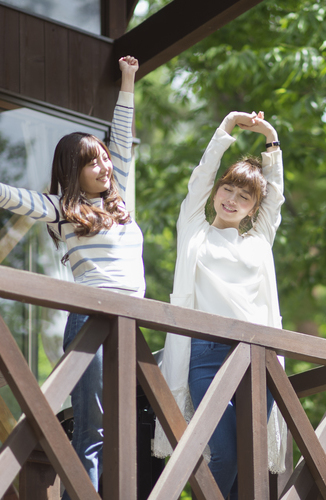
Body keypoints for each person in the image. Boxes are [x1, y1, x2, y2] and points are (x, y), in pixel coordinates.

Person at [0, 56, 143, 497]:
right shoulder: (63, 208)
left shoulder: (117, 202)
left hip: (130, 322)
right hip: (92, 322)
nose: (104, 166)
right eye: (92, 162)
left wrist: (128, 81)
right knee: (93, 429)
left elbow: (120, 137)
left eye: (103, 159)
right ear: (72, 171)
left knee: (129, 427)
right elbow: (13, 196)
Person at [153, 110, 287, 498]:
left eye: (244, 197)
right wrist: (227, 127)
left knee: (249, 455)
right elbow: (200, 176)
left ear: (252, 209)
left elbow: (275, 198)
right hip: (206, 356)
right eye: (228, 190)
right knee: (222, 454)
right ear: (216, 192)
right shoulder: (194, 230)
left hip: (257, 360)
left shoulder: (259, 241)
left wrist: (271, 140)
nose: (232, 200)